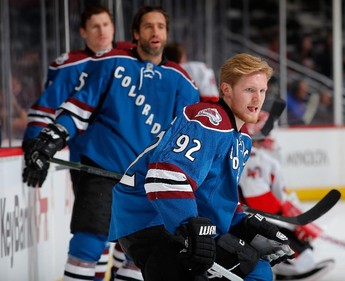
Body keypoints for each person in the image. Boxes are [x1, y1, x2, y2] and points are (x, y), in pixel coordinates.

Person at [22, 5, 199, 281]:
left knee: (140, 257)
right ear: (135, 34)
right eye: (148, 26)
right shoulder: (112, 62)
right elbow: (78, 110)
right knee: (88, 244)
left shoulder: (183, 81)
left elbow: (188, 140)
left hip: (145, 181)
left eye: (161, 27)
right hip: (103, 170)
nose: (155, 32)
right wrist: (47, 142)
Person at [108, 53, 295, 281]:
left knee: (258, 270)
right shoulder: (207, 119)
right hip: (153, 220)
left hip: (175, 220)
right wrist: (190, 227)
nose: (257, 99)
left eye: (262, 91)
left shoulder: (241, 137)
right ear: (226, 89)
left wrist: (242, 223)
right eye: (249, 90)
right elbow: (164, 176)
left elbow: (212, 196)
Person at [21, 5, 121, 280]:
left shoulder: (129, 60)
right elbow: (44, 109)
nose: (102, 31)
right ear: (82, 32)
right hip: (90, 160)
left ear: (113, 28)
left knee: (131, 237)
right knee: (96, 231)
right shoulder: (70, 66)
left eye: (105, 24)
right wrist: (34, 147)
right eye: (95, 26)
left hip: (132, 160)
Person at [239, 112, 335, 281]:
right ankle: (279, 268)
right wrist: (293, 220)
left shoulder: (239, 152)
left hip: (247, 219)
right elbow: (268, 201)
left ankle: (278, 267)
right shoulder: (266, 161)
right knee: (306, 258)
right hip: (259, 223)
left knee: (305, 252)